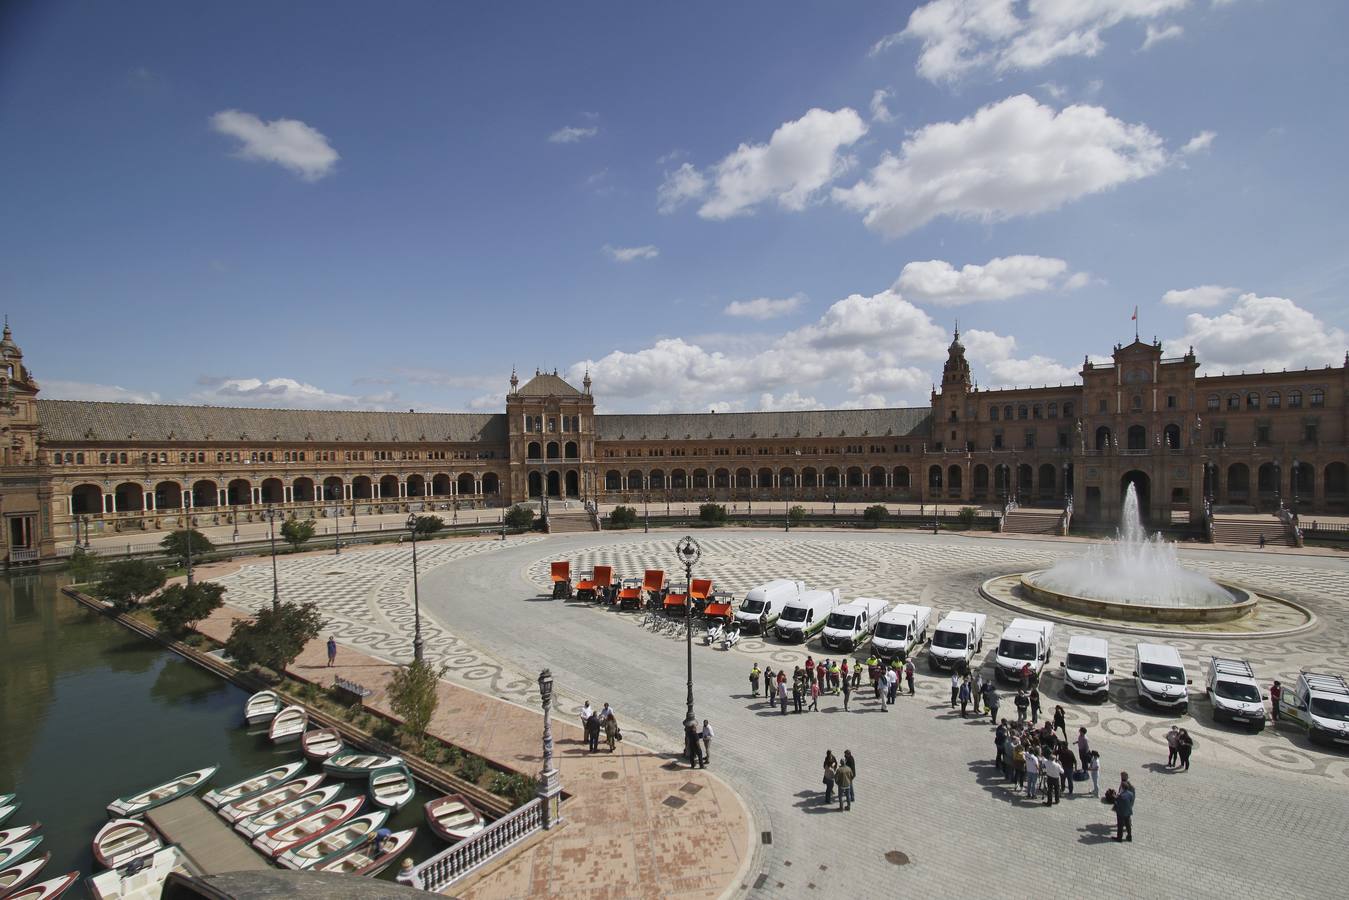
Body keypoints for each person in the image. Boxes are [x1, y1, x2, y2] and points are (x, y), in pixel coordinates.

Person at [1113, 774, 1135, 842]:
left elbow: (1117, 803)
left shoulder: (1121, 796)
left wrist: (1115, 797)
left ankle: (1119, 838)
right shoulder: (1130, 793)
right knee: (1128, 825)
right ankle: (1129, 836)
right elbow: (1131, 800)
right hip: (1128, 811)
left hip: (1121, 812)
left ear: (1123, 788)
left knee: (1120, 825)